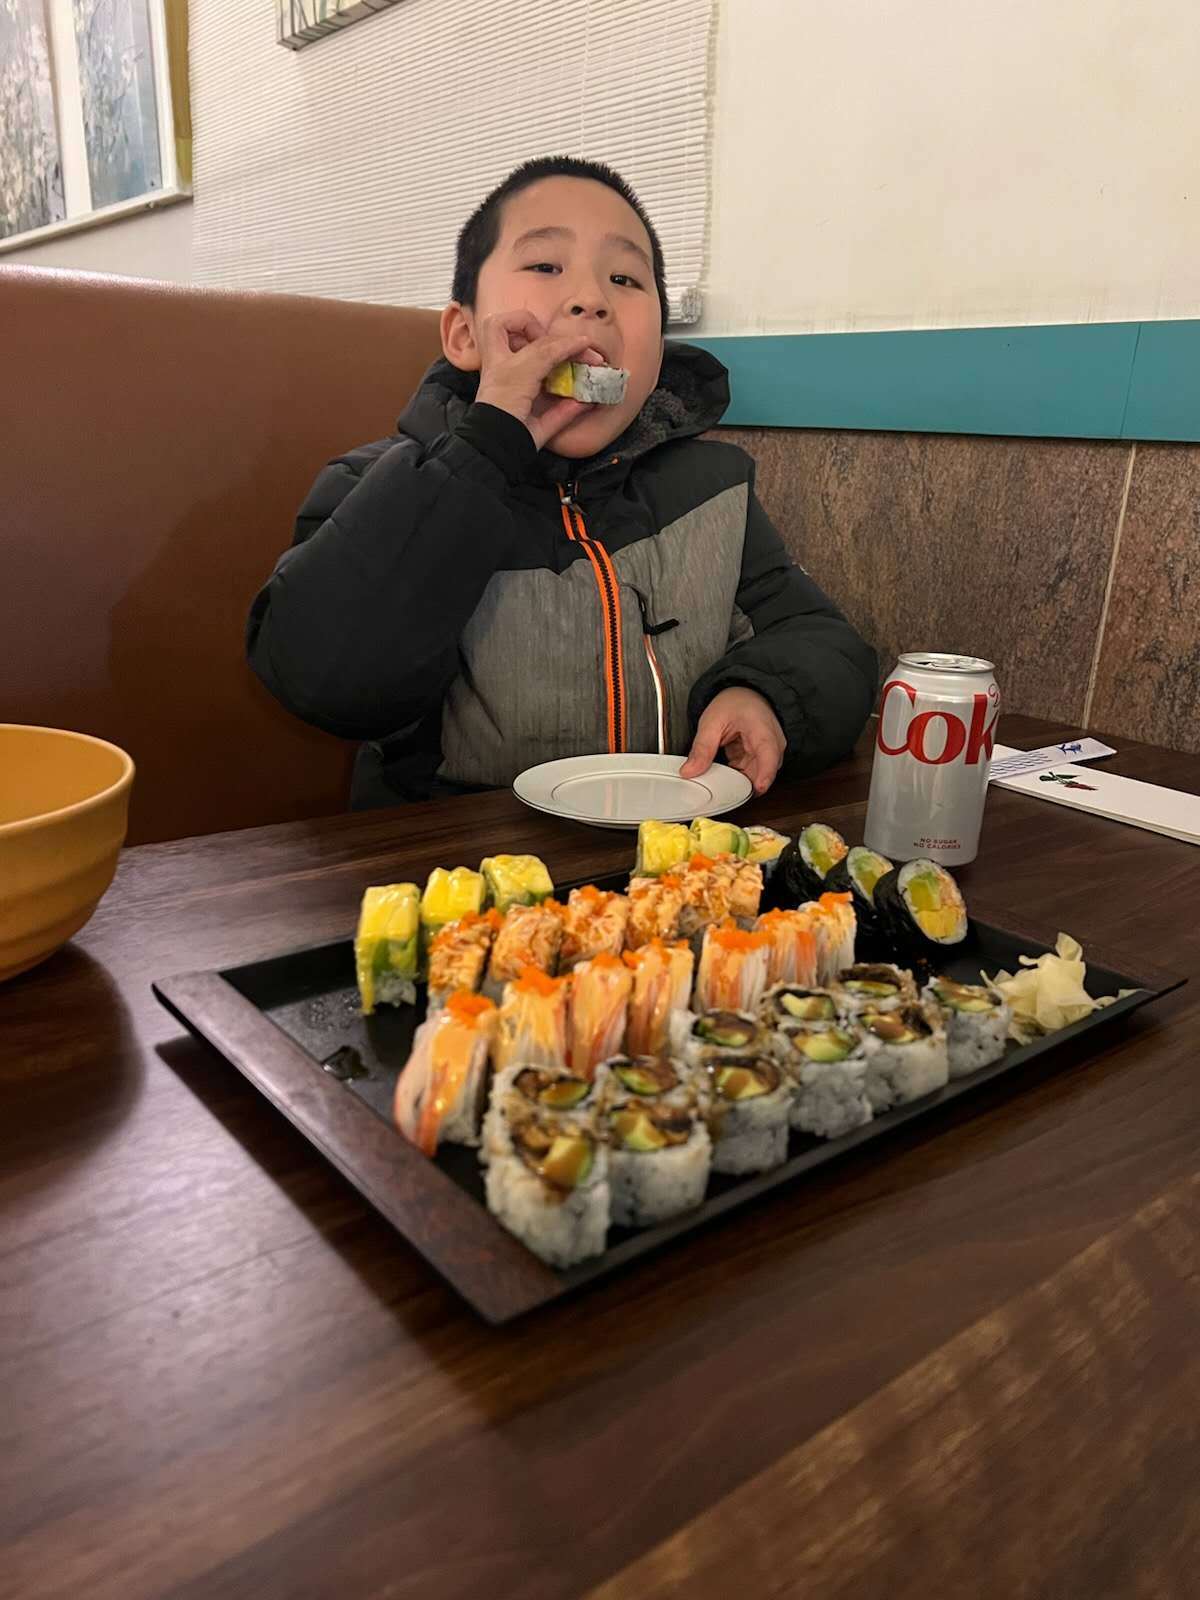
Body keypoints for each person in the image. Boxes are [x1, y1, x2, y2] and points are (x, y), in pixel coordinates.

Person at [247, 156, 877, 807]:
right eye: (546, 267)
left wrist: (765, 696)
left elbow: (827, 645)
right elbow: (323, 680)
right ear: (465, 336)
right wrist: (489, 444)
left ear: (657, 347)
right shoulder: (377, 485)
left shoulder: (712, 487)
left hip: (672, 868)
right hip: (463, 877)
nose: (591, 299)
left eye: (626, 278)